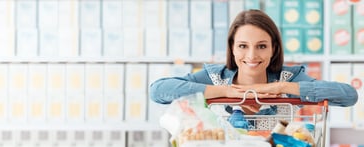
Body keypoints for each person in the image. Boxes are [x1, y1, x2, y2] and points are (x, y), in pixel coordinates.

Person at [149, 9, 358, 115]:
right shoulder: (215, 77)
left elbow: (348, 95)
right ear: (232, 48)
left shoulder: (289, 78)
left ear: (274, 48)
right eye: (242, 46)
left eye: (261, 46)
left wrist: (280, 87)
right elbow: (158, 91)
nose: (251, 56)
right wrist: (226, 92)